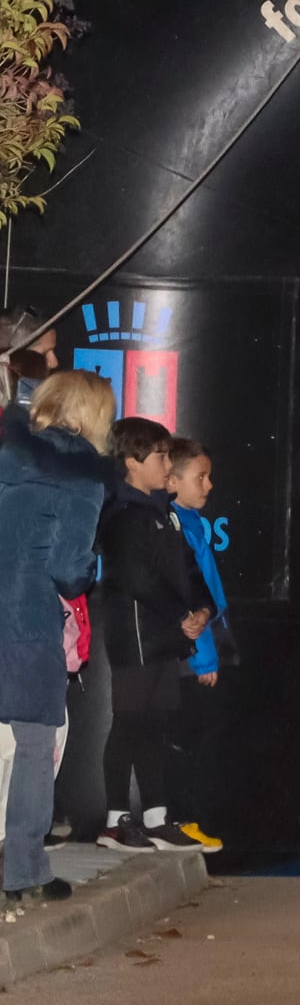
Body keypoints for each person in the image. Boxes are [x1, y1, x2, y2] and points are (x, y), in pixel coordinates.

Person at [1, 371, 110, 912]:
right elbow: (70, 568)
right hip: (27, 622)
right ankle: (25, 869)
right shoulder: (81, 476)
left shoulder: (6, 451)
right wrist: (95, 569)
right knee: (35, 748)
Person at [92, 416, 213, 852]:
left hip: (164, 637)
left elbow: (188, 570)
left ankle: (157, 817)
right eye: (160, 456)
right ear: (131, 462)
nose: (167, 463)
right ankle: (114, 821)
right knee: (130, 721)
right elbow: (137, 579)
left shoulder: (163, 512)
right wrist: (183, 613)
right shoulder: (122, 514)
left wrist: (201, 609)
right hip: (136, 637)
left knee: (155, 723)